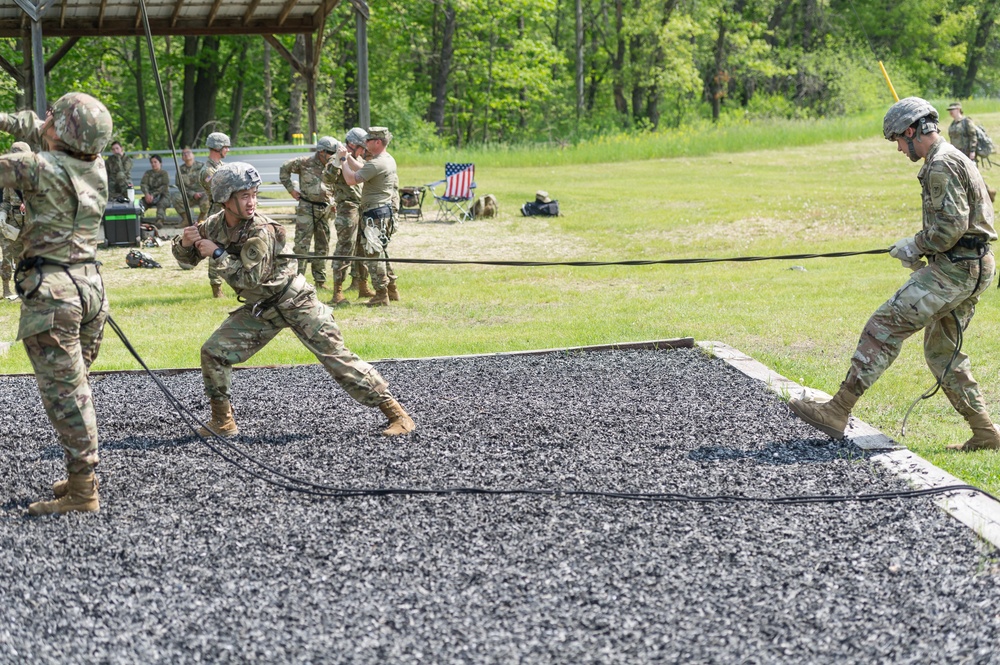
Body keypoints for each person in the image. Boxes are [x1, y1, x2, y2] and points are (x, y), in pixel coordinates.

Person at [789, 97, 999, 452]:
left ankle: (837, 411)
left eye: (899, 140)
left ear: (914, 131)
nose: (899, 148)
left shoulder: (941, 164)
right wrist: (924, 251)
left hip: (956, 269)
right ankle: (986, 433)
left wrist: (916, 245)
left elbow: (950, 227)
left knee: (883, 326)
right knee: (942, 352)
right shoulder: (951, 157)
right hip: (972, 265)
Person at [171, 162, 416, 438]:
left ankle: (398, 414)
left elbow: (249, 280)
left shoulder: (262, 230)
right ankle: (222, 422)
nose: (252, 202)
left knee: (337, 358)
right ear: (225, 199)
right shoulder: (214, 225)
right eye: (244, 196)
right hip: (263, 309)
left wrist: (217, 255)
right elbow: (186, 260)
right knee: (213, 352)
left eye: (254, 194)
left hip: (296, 301)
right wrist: (186, 243)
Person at [0, 92, 114, 514]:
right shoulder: (95, 165)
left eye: (54, 116)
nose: (45, 118)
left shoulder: (37, 167)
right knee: (76, 390)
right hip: (89, 290)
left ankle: (84, 492)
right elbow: (40, 128)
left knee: (67, 398)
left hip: (53, 297)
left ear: (62, 131)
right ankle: (80, 475)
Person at [336, 126, 399, 307]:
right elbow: (364, 168)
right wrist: (348, 157)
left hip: (374, 214)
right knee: (381, 252)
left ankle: (381, 294)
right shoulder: (386, 159)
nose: (366, 143)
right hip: (382, 212)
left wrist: (341, 161)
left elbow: (351, 179)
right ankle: (392, 289)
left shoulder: (377, 163)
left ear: (378, 142)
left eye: (369, 140)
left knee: (373, 254)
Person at [324, 127, 375, 305]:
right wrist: (339, 160)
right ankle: (337, 290)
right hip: (347, 208)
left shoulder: (357, 159)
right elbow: (328, 179)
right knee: (345, 248)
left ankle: (362, 284)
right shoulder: (336, 158)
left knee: (363, 247)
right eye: (361, 147)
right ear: (352, 144)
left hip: (362, 208)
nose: (364, 151)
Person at [279, 137, 335, 289]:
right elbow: (284, 169)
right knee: (301, 245)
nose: (333, 155)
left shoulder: (334, 165)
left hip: (324, 209)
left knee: (322, 245)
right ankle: (298, 280)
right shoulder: (304, 162)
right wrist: (291, 189)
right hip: (306, 207)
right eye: (330, 152)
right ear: (321, 151)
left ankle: (320, 281)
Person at [199, 131, 231, 297]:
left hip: (228, 211)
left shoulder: (222, 168)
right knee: (216, 248)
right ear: (218, 147)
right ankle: (216, 287)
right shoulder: (207, 170)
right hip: (217, 212)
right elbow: (218, 189)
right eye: (226, 147)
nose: (228, 150)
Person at [1, 141, 31, 299]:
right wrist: (2, 214)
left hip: (29, 222)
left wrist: (29, 204)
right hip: (12, 221)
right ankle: (6, 288)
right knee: (7, 254)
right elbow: (6, 200)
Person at [171, 147, 205, 226]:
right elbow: (180, 186)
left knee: (209, 197)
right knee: (176, 197)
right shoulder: (180, 169)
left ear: (193, 155)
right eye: (184, 154)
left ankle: (201, 220)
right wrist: (193, 194)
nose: (186, 155)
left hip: (202, 194)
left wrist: (201, 192)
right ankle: (186, 219)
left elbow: (208, 180)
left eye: (188, 152)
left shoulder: (202, 166)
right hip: (189, 196)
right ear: (182, 158)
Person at [139, 154, 170, 228]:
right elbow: (144, 184)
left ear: (160, 163)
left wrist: (153, 195)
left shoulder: (164, 173)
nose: (153, 164)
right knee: (140, 204)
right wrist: (147, 194)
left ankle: (159, 221)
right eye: (152, 162)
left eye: (155, 162)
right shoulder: (148, 173)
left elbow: (164, 186)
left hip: (163, 195)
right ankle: (139, 220)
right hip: (149, 196)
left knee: (162, 203)